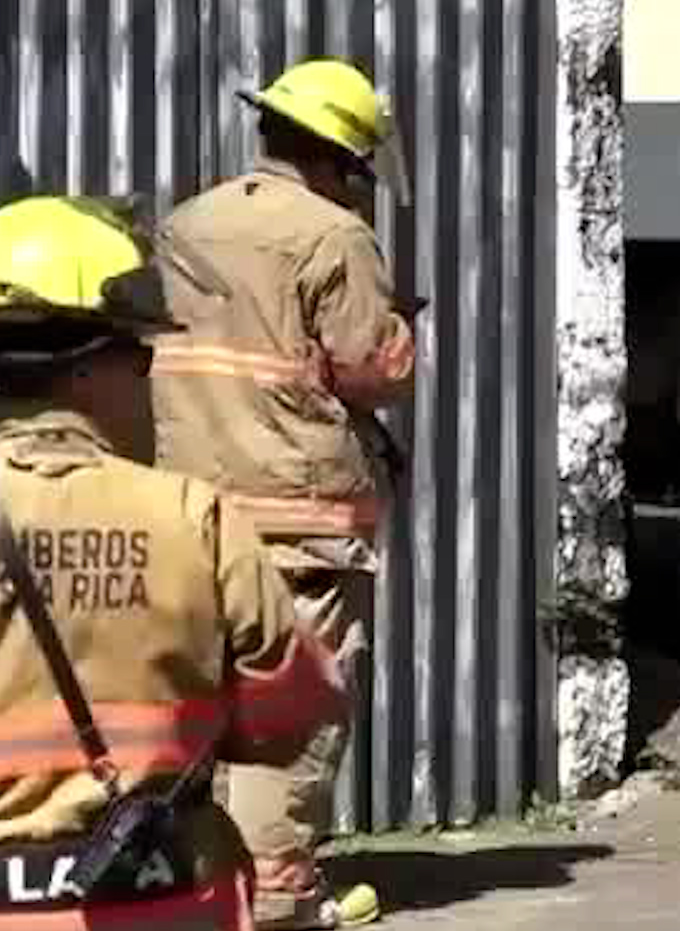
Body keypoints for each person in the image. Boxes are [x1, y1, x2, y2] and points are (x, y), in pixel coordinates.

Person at [0, 194, 347, 930]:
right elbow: (288, 723)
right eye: (143, 358)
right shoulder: (197, 520)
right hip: (166, 898)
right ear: (91, 368)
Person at [150, 59, 417, 929]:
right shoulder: (335, 236)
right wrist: (399, 324)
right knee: (287, 709)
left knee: (197, 709)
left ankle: (193, 885)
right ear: (341, 159)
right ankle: (275, 900)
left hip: (186, 506)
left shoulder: (187, 223)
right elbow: (374, 373)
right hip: (298, 517)